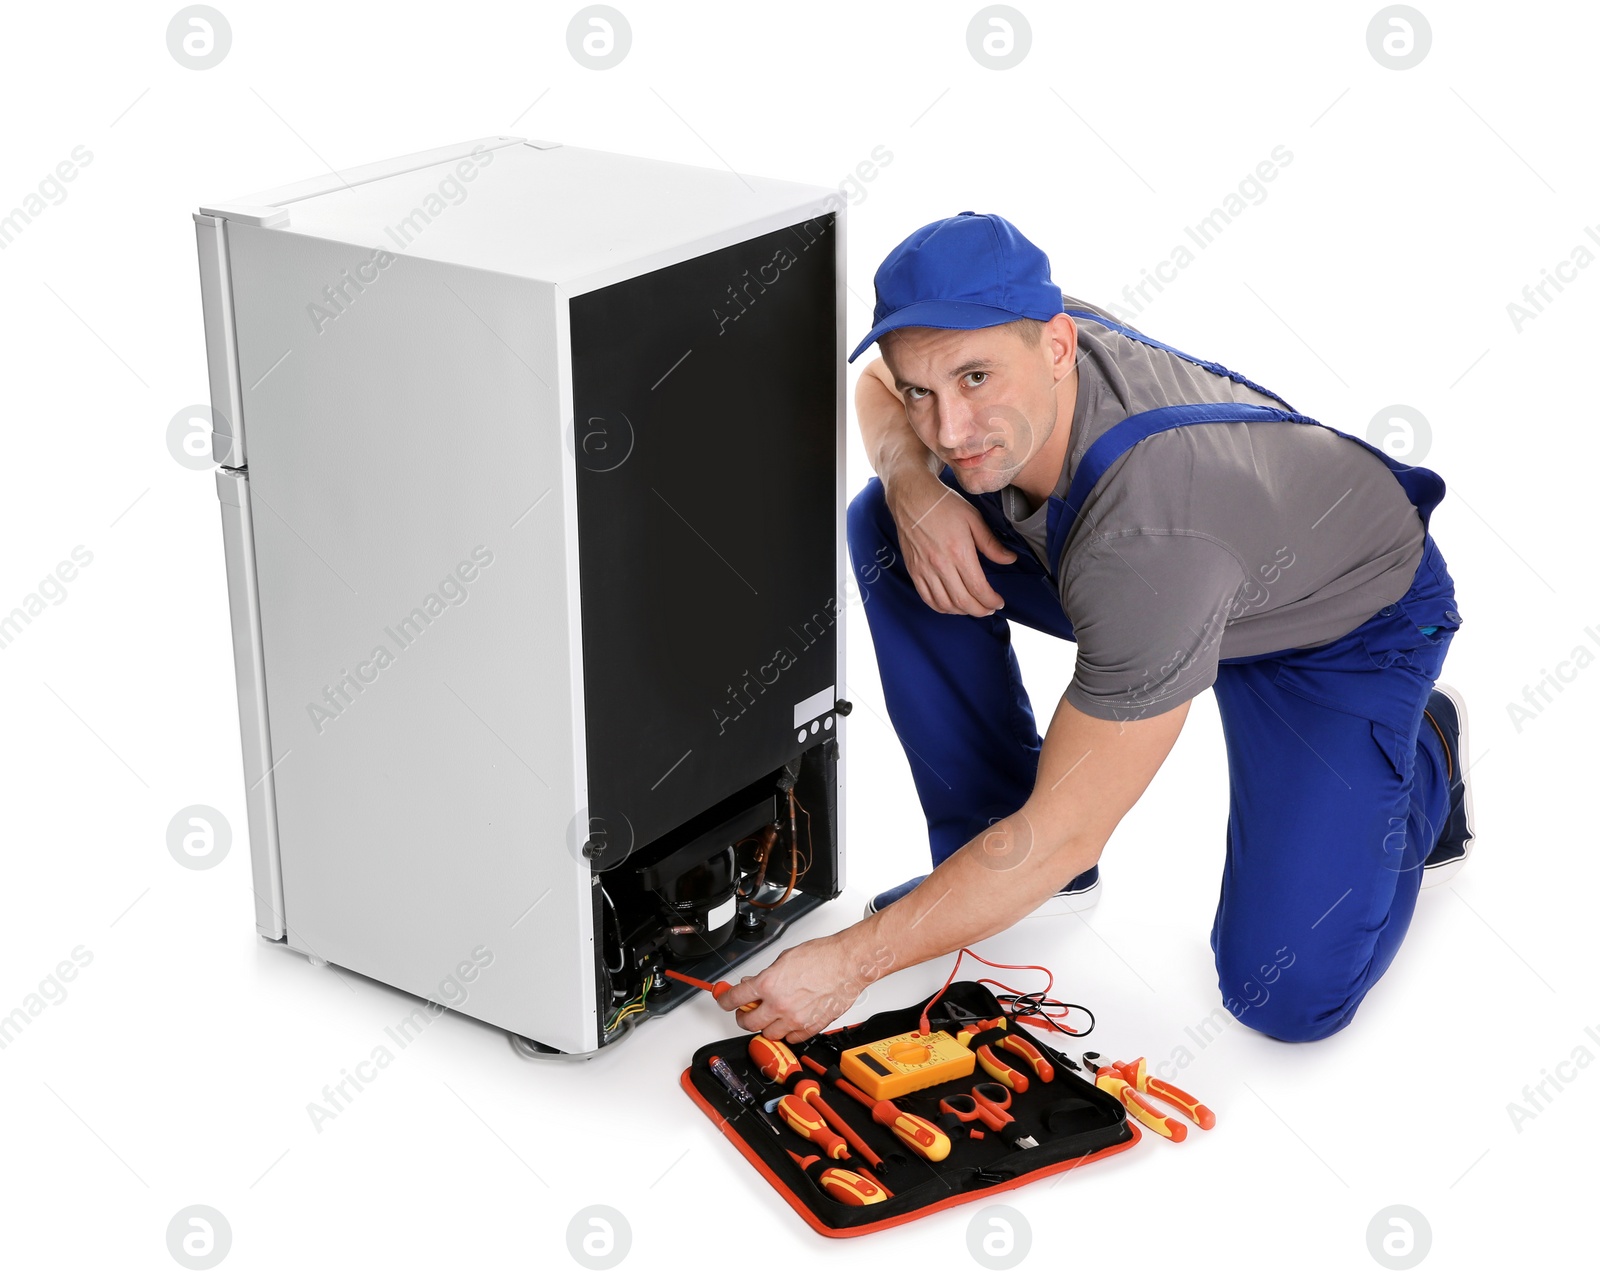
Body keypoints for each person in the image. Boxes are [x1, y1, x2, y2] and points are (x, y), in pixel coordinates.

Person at [717, 211, 1473, 1045]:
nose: (949, 430)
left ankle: (1427, 747)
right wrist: (910, 483)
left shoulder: (1153, 535)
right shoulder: (1003, 322)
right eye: (925, 391)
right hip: (1188, 579)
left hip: (1340, 626)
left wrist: (852, 961)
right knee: (890, 527)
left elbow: (1071, 823)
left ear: (1058, 347)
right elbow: (876, 388)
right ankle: (992, 849)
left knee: (1285, 998)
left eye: (975, 380)